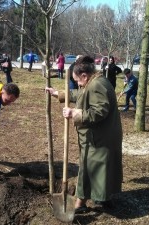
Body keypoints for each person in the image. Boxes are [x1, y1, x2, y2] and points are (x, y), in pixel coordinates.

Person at [45, 55, 123, 213]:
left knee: (89, 169)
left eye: (78, 81)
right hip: (104, 136)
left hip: (99, 139)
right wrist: (58, 93)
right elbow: (81, 94)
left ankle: (79, 204)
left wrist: (75, 113)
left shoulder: (97, 85)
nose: (78, 84)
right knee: (103, 169)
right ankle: (104, 197)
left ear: (84, 75)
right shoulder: (96, 81)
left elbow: (100, 111)